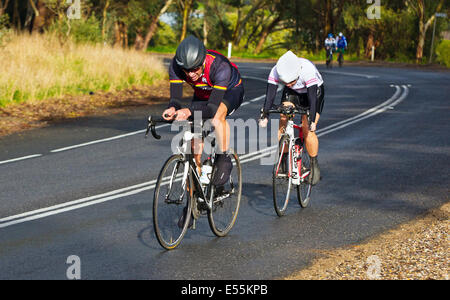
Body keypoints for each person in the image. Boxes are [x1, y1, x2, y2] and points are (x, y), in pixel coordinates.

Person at [163, 35, 244, 188]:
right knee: (192, 149)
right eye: (186, 70)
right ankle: (193, 202)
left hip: (230, 91)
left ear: (202, 62)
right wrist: (172, 109)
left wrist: (188, 111)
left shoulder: (220, 66)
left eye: (195, 69)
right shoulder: (175, 65)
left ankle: (222, 156)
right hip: (203, 93)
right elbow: (175, 99)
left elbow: (212, 109)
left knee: (216, 117)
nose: (190, 74)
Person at [259, 50, 325, 186]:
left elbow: (312, 99)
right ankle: (283, 159)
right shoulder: (276, 71)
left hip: (313, 92)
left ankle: (314, 165)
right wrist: (265, 114)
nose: (288, 84)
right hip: (293, 94)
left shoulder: (307, 69)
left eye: (291, 81)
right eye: (285, 82)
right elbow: (270, 95)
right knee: (283, 117)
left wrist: (312, 120)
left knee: (307, 129)